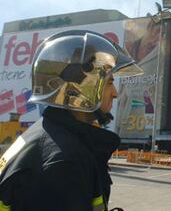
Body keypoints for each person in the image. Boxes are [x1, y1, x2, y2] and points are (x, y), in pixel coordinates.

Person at [0, 30, 143, 211]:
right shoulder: (64, 161)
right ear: (82, 89)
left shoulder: (47, 135)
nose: (115, 93)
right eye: (109, 82)